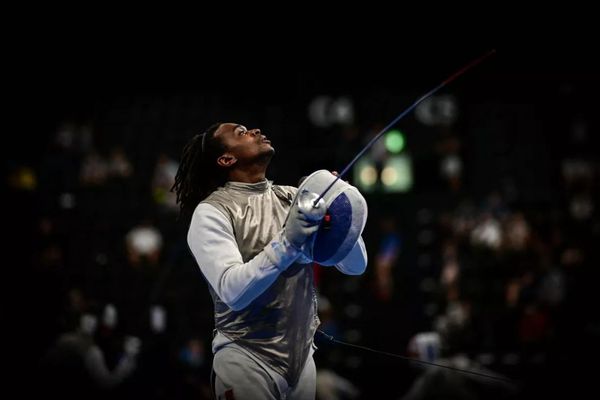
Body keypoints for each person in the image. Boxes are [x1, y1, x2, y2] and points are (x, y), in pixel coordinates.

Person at [172, 122, 368, 399]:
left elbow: (355, 266)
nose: (254, 131)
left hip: (302, 363)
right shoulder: (212, 212)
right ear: (227, 159)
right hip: (246, 359)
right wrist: (288, 242)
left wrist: (340, 214)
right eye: (241, 133)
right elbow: (231, 290)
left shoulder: (292, 198)